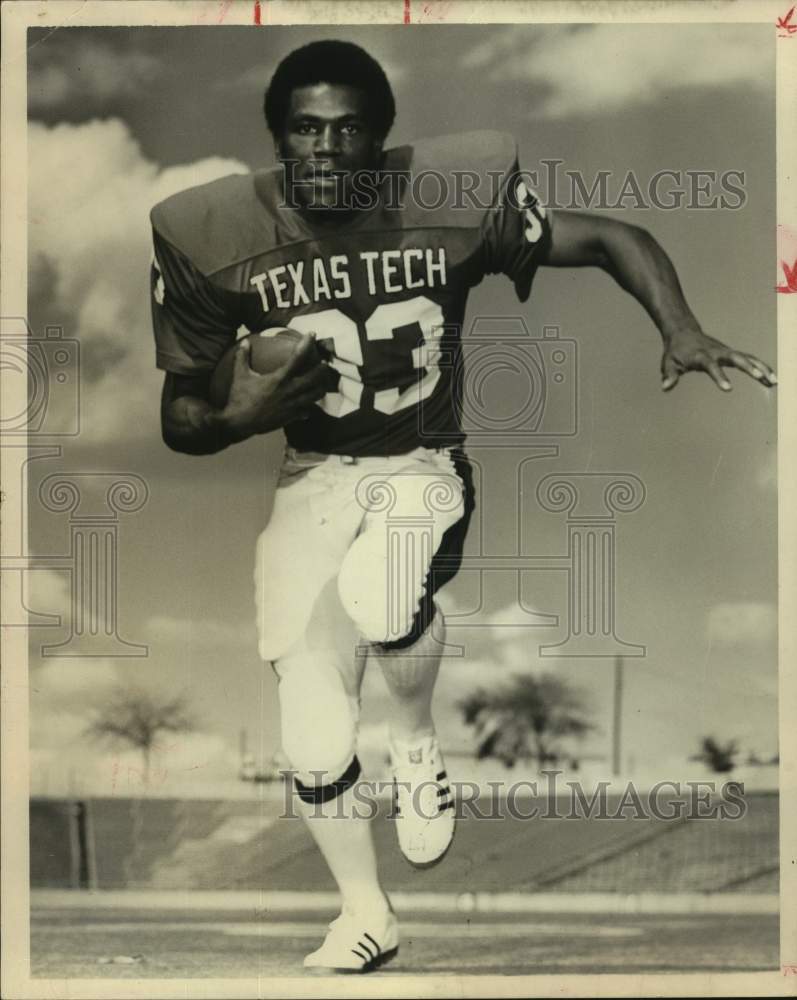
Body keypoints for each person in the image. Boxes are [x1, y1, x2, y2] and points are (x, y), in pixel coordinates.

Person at [151, 40, 776, 973]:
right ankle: (366, 914)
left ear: (382, 142)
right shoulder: (216, 236)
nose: (326, 149)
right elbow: (180, 420)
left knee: (377, 595)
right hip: (310, 480)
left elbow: (612, 238)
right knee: (312, 730)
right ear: (279, 140)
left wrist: (678, 326)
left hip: (421, 464)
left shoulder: (446, 204)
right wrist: (235, 414)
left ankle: (413, 744)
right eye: (306, 131)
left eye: (348, 130)